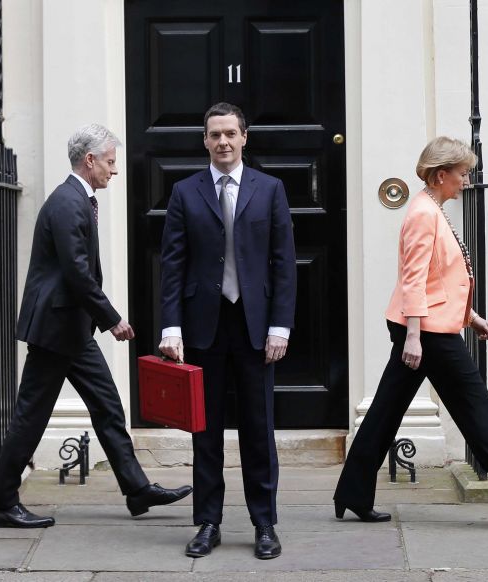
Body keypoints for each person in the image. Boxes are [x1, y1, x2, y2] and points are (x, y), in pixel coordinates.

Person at [333, 136, 488, 528]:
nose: (466, 181)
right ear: (441, 175)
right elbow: (414, 279)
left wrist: (470, 316)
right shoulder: (423, 213)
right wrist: (415, 336)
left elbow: (440, 278)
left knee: (386, 411)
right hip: (428, 331)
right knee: (476, 409)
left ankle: (351, 493)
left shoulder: (432, 207)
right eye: (462, 174)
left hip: (427, 324)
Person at [0, 124, 192, 529]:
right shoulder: (67, 202)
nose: (115, 171)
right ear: (90, 160)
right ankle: (2, 502)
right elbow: (76, 273)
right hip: (55, 329)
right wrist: (112, 319)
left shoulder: (80, 200)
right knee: (32, 415)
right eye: (111, 162)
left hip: (71, 329)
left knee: (109, 407)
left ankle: (137, 489)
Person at [158, 103, 297, 559]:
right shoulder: (184, 192)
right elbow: (172, 265)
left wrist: (280, 326)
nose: (222, 142)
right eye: (214, 134)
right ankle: (208, 522)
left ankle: (264, 524)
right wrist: (171, 326)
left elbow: (283, 264)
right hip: (203, 328)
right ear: (204, 140)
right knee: (206, 431)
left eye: (230, 134)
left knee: (259, 429)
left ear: (244, 138)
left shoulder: (270, 189)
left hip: (256, 327)